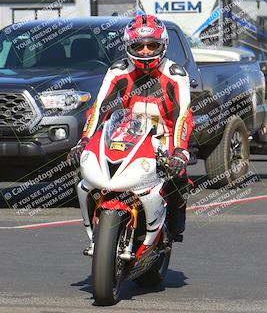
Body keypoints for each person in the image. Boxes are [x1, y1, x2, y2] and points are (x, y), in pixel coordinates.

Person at [68, 14, 194, 240]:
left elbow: (184, 115)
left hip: (164, 137)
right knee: (88, 169)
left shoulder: (176, 75)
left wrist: (180, 151)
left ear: (163, 45)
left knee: (179, 175)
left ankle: (176, 219)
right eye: (139, 46)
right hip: (127, 134)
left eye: (151, 45)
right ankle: (99, 221)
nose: (145, 51)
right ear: (128, 46)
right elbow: (99, 108)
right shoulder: (117, 70)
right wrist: (84, 141)